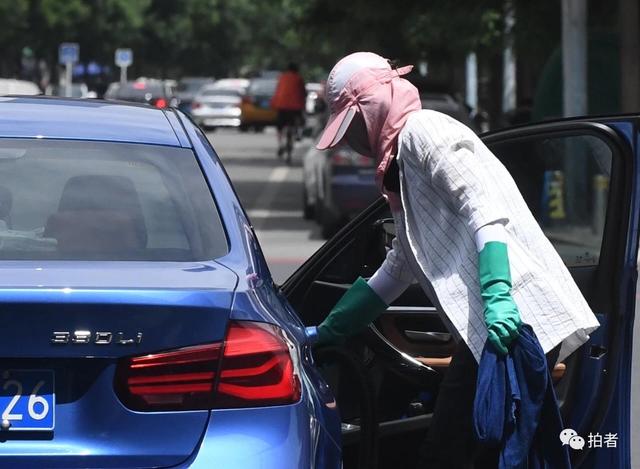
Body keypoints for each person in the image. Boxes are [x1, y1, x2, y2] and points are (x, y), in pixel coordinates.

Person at [311, 52, 600, 468]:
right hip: (489, 329)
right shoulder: (399, 163)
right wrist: (332, 328)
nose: (353, 140)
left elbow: (482, 209)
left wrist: (499, 293)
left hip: (513, 321)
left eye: (352, 123)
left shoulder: (423, 132)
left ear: (372, 107)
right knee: (482, 450)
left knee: (451, 450)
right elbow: (402, 263)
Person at [270, 62, 306, 157]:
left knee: (279, 127)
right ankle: (298, 133)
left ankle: (280, 144)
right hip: (295, 107)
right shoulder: (299, 78)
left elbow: (277, 92)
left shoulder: (281, 77)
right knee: (300, 120)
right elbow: (303, 93)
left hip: (281, 106)